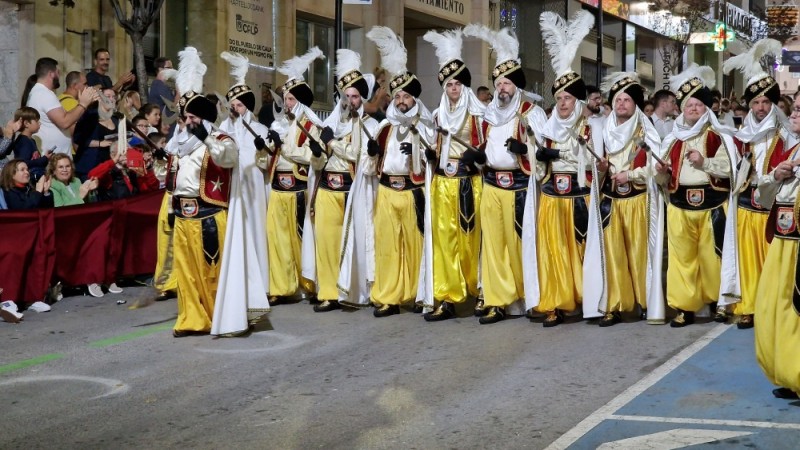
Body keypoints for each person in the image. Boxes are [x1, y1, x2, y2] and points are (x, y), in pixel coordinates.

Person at [463, 23, 547, 324]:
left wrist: (526, 149)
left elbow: (546, 152)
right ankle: (497, 300)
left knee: (519, 244)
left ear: (517, 86)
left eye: (507, 84)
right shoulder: (488, 116)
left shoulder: (530, 113)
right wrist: (477, 157)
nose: (502, 88)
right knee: (494, 245)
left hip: (520, 186)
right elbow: (483, 151)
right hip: (491, 185)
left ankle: (527, 298)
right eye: (499, 82)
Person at [523, 10, 598, 327]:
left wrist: (568, 157)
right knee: (553, 251)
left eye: (568, 97)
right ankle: (555, 301)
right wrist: (540, 157)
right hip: (553, 197)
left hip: (581, 197)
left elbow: (597, 162)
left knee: (578, 250)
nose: (563, 102)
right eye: (559, 96)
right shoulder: (547, 127)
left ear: (578, 100)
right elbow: (538, 169)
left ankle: (582, 299)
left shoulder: (592, 127)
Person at [718, 39, 793, 329]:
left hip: (774, 208)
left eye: (765, 102)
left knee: (772, 262)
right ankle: (748, 307)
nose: (760, 107)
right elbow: (727, 169)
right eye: (755, 103)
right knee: (747, 261)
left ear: (774, 104)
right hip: (747, 205)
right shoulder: (739, 136)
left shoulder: (786, 135)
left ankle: (773, 308)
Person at [654, 64, 737, 327]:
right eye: (688, 105)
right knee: (682, 259)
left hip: (713, 204)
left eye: (698, 105)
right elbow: (660, 179)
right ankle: (684, 307)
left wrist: (704, 163)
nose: (693, 109)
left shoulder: (718, 135)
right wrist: (659, 171)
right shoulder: (672, 139)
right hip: (679, 206)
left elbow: (729, 169)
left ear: (706, 109)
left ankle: (720, 302)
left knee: (714, 257)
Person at [166, 47, 238, 337]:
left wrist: (205, 138)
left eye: (193, 117)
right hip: (183, 215)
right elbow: (173, 179)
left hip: (208, 217)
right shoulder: (179, 144)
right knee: (185, 273)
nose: (188, 122)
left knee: (211, 272)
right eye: (186, 117)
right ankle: (191, 319)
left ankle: (217, 316)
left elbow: (228, 159)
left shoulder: (219, 137)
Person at [582, 72, 664, 326]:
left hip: (638, 200)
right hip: (611, 201)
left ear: (635, 104)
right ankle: (615, 304)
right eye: (617, 100)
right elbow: (590, 167)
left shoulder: (645, 129)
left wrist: (631, 174)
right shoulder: (603, 129)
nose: (621, 104)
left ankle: (644, 301)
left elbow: (658, 166)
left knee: (640, 254)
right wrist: (603, 168)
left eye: (626, 100)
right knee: (613, 254)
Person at [365, 26, 434, 318]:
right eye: (398, 96)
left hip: (412, 191)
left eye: (406, 96)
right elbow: (371, 167)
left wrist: (418, 153)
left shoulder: (426, 125)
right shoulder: (385, 127)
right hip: (386, 192)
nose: (401, 100)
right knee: (388, 247)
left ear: (414, 99)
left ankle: (418, 294)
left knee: (416, 244)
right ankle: (388, 296)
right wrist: (371, 154)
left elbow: (434, 158)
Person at [305, 49, 381, 313]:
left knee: (351, 243)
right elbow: (317, 163)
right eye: (347, 96)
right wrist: (317, 153)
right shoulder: (331, 123)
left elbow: (357, 156)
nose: (351, 101)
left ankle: (351, 289)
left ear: (362, 98)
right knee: (326, 243)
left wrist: (331, 143)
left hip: (353, 191)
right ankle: (327, 292)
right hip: (327, 187)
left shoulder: (370, 125)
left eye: (355, 96)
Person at [418, 29, 485, 321]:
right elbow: (433, 147)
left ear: (465, 86)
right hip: (443, 185)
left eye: (457, 83)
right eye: (448, 84)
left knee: (474, 241)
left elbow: (486, 149)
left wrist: (478, 156)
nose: (452, 88)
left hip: (470, 184)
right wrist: (430, 156)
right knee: (444, 241)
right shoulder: (436, 117)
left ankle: (481, 291)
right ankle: (447, 297)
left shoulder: (478, 115)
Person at [210, 51, 272, 336]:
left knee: (256, 231)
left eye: (239, 104)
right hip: (232, 187)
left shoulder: (260, 128)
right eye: (232, 104)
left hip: (253, 187)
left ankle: (261, 283)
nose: (235, 108)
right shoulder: (224, 128)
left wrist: (262, 149)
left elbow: (264, 162)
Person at [265, 47, 325, 305]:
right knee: (276, 239)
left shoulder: (312, 126)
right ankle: (281, 286)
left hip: (300, 188)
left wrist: (285, 147)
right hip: (277, 188)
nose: (286, 104)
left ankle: (307, 283)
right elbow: (266, 159)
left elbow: (311, 157)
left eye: (290, 99)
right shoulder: (277, 125)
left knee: (301, 237)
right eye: (285, 99)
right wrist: (264, 149)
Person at [753, 91, 800, 400]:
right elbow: (761, 198)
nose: (794, 115)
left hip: (799, 243)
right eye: (795, 109)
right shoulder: (787, 148)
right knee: (774, 307)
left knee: (797, 309)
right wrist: (775, 174)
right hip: (782, 240)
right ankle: (789, 373)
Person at [26, 57, 97, 155]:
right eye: (58, 72)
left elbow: (64, 117)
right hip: (54, 159)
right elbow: (64, 122)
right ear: (51, 74)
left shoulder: (38, 92)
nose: (59, 76)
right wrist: (83, 104)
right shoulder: (44, 94)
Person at [75, 88, 118, 181]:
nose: (112, 99)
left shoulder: (116, 119)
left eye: (114, 97)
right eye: (108, 96)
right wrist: (99, 143)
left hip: (109, 165)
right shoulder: (90, 116)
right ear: (99, 98)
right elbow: (77, 138)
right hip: (91, 164)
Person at [11, 107, 50, 182]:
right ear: (26, 123)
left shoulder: (31, 140)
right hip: (29, 180)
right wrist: (44, 159)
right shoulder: (23, 141)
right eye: (36, 121)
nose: (39, 123)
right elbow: (24, 162)